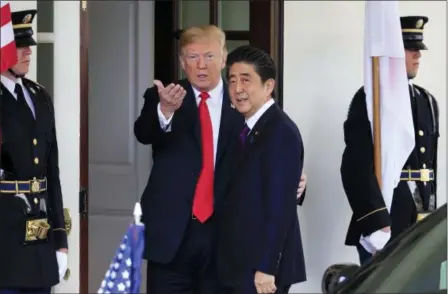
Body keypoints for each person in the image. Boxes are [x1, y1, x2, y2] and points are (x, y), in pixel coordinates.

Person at [134, 25, 307, 293]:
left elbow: (271, 157)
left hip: (225, 238)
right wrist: (165, 110)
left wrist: (294, 183)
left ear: (224, 58)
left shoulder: (246, 99)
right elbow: (144, 133)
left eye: (210, 56)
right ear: (182, 62)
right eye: (192, 57)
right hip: (172, 238)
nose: (201, 65)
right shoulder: (165, 98)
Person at [340, 16, 439, 265]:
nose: (418, 56)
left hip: (420, 221)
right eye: (410, 49)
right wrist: (377, 222)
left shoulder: (426, 101)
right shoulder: (371, 100)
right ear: (392, 53)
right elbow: (355, 168)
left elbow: (429, 168)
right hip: (387, 220)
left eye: (419, 49)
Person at [216, 45, 307, 294]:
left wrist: (267, 267)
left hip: (262, 270)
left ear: (269, 86)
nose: (237, 89)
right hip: (236, 262)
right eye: (232, 80)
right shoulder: (240, 127)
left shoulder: (281, 131)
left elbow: (280, 207)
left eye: (246, 80)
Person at [0, 9, 68, 294]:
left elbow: (51, 171)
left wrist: (60, 237)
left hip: (39, 235)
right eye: (20, 45)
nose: (29, 51)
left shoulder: (38, 95)